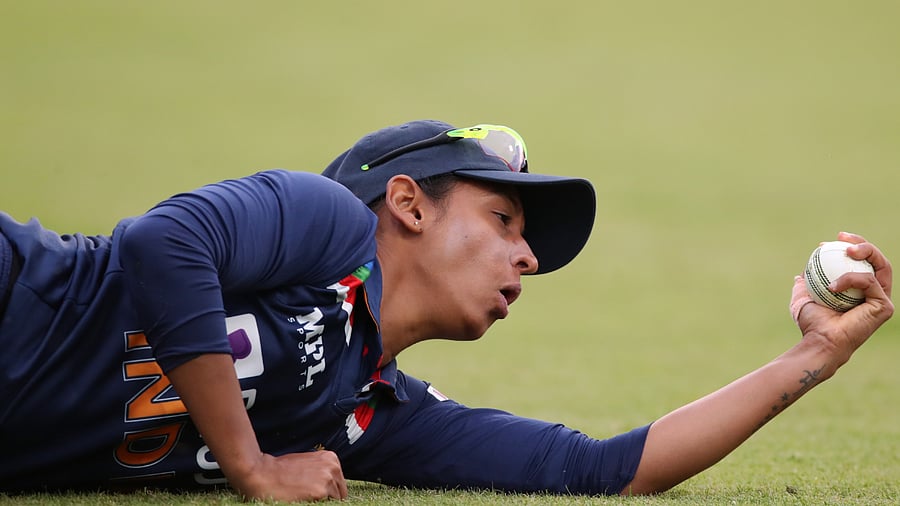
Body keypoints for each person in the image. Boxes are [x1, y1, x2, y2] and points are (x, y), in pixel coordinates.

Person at [0, 120, 892, 502]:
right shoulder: (328, 225)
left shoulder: (371, 410)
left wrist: (816, 356)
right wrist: (253, 466)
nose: (528, 258)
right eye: (504, 220)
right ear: (408, 204)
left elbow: (599, 470)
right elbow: (164, 242)